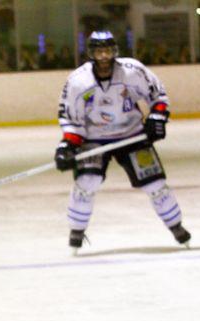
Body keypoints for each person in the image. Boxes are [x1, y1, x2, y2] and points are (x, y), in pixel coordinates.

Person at [55, 30, 191, 251]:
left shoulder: (133, 71)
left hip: (132, 135)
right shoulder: (78, 81)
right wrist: (67, 144)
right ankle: (77, 230)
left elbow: (158, 96)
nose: (104, 57)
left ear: (115, 51)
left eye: (108, 51)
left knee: (156, 185)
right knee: (87, 183)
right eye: (99, 52)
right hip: (94, 139)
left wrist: (157, 117)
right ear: (91, 53)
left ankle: (176, 226)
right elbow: (71, 117)